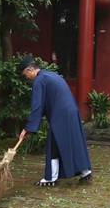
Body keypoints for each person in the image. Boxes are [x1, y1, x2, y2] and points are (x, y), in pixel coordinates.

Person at [17, 55, 92, 187]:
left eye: (25, 75)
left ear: (30, 70)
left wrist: (28, 128)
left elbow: (37, 107)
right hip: (71, 111)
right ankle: (86, 172)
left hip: (61, 115)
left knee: (53, 145)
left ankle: (50, 178)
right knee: (73, 142)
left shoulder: (39, 81)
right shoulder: (50, 75)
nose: (26, 78)